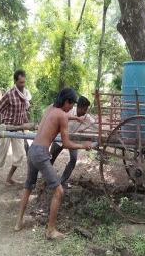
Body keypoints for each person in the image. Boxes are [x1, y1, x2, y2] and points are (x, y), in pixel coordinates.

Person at [14, 88, 92, 239]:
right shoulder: (62, 115)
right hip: (41, 153)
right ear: (66, 102)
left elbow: (61, 118)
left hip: (32, 150)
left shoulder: (50, 108)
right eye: (71, 105)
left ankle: (19, 222)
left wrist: (75, 119)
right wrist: (84, 146)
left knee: (28, 186)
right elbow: (67, 143)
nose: (71, 110)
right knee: (59, 191)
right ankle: (50, 230)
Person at [0, 69, 31, 186]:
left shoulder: (26, 95)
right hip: (6, 128)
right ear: (15, 82)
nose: (23, 85)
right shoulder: (9, 94)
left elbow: (22, 112)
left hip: (17, 128)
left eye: (24, 82)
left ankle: (9, 177)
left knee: (20, 155)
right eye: (20, 83)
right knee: (2, 152)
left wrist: (28, 124)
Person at [50, 96, 96, 187]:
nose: (85, 112)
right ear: (79, 107)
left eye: (86, 109)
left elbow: (94, 123)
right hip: (60, 138)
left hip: (72, 140)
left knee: (73, 160)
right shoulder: (69, 111)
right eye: (84, 109)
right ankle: (47, 178)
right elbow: (60, 117)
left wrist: (85, 128)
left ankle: (62, 181)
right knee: (51, 158)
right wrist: (76, 118)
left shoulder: (86, 116)